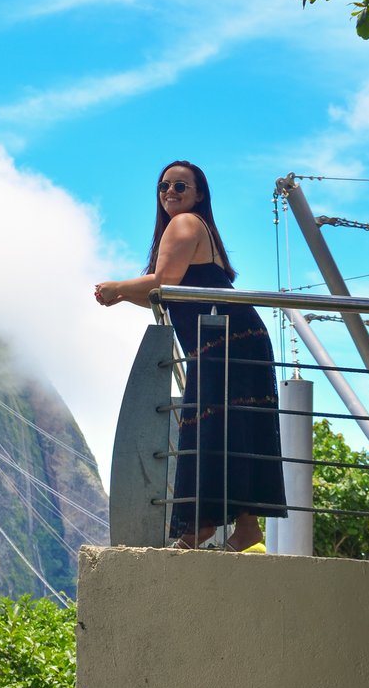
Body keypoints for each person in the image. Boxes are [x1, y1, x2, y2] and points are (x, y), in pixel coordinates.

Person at [95, 160, 286, 550]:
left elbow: (165, 282)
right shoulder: (193, 227)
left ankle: (196, 528)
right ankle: (247, 530)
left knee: (212, 423)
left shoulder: (183, 225)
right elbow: (168, 293)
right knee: (235, 424)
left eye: (180, 187)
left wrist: (116, 286)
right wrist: (122, 294)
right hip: (234, 334)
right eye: (164, 185)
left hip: (221, 338)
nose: (170, 192)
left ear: (199, 195)